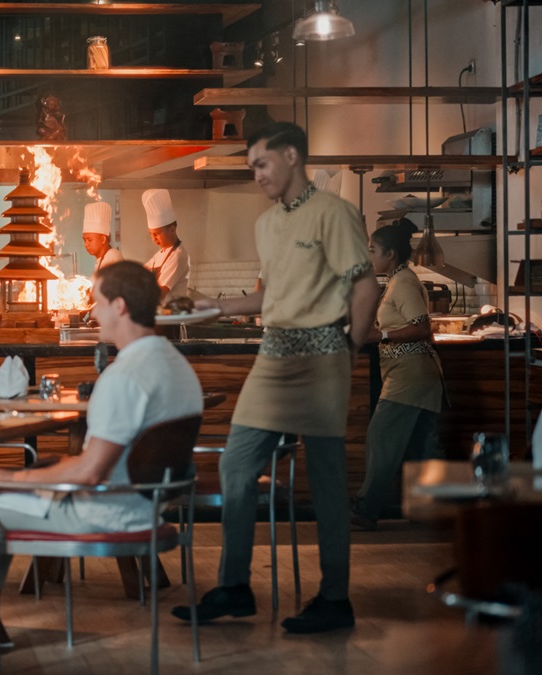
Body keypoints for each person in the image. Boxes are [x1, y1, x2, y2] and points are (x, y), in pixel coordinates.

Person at [0, 261, 204, 660]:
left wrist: (8, 477)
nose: (92, 312)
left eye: (97, 302)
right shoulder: (178, 367)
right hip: (148, 506)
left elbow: (89, 472)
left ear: (120, 306)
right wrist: (17, 479)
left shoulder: (124, 376)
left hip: (104, 511)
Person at [172, 122, 379, 634]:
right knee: (238, 467)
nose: (257, 175)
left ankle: (335, 599)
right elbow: (271, 295)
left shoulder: (335, 213)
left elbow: (366, 285)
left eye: (262, 164)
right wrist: (215, 306)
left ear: (291, 156)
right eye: (252, 168)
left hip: (323, 352)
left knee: (328, 483)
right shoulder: (266, 225)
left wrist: (350, 345)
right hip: (273, 355)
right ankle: (235, 587)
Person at [351, 220, 443, 531]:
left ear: (390, 253)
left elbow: (421, 327)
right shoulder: (395, 279)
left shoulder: (403, 282)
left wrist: (380, 336)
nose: (370, 256)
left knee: (382, 438)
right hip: (413, 375)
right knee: (421, 448)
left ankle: (367, 507)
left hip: (410, 375)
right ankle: (428, 511)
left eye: (373, 251)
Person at [141, 188, 190, 303]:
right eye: (151, 234)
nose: (153, 238)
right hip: (159, 316)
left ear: (172, 230)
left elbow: (161, 292)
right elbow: (140, 273)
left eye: (157, 234)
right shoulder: (159, 255)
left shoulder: (178, 256)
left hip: (170, 317)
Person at [81, 201, 124, 272]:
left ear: (103, 239)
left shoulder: (112, 257)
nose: (86, 244)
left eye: (89, 240)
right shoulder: (102, 258)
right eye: (84, 240)